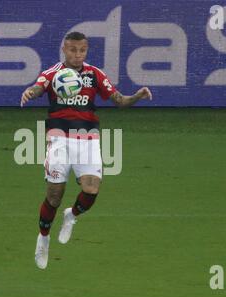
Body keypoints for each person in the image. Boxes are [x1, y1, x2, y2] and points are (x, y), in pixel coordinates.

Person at [20, 31, 153, 269]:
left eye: (82, 50)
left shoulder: (95, 75)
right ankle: (44, 238)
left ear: (86, 51)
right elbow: (39, 87)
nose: (77, 54)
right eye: (72, 50)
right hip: (59, 138)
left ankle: (71, 216)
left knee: (91, 191)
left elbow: (119, 100)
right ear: (64, 49)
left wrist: (137, 96)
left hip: (88, 139)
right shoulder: (53, 74)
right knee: (54, 196)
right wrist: (31, 92)